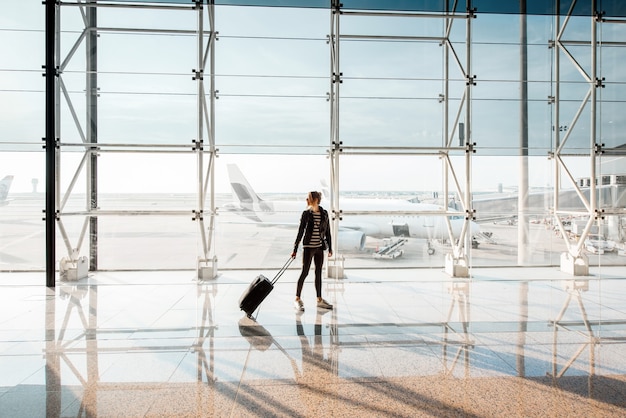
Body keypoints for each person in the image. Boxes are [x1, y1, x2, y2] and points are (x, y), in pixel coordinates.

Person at [291, 191, 333, 311]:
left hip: (319, 248)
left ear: (314, 200)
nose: (306, 200)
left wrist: (330, 248)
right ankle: (297, 299)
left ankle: (319, 300)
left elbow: (328, 232)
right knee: (305, 272)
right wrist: (295, 248)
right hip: (308, 248)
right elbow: (300, 232)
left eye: (308, 198)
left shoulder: (324, 213)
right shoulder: (306, 214)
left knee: (318, 273)